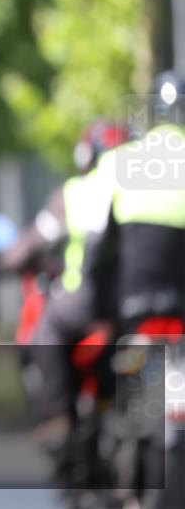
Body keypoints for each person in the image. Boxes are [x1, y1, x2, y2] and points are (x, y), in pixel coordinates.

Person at [80, 71, 185, 509]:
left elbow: (97, 248)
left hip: (137, 312)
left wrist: (97, 310)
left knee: (134, 406)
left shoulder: (120, 162)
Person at [0, 121, 128, 436]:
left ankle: (58, 416)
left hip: (87, 303)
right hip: (135, 303)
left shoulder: (76, 193)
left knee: (45, 332)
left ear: (86, 155)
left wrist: (4, 261)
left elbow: (34, 241)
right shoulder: (143, 194)